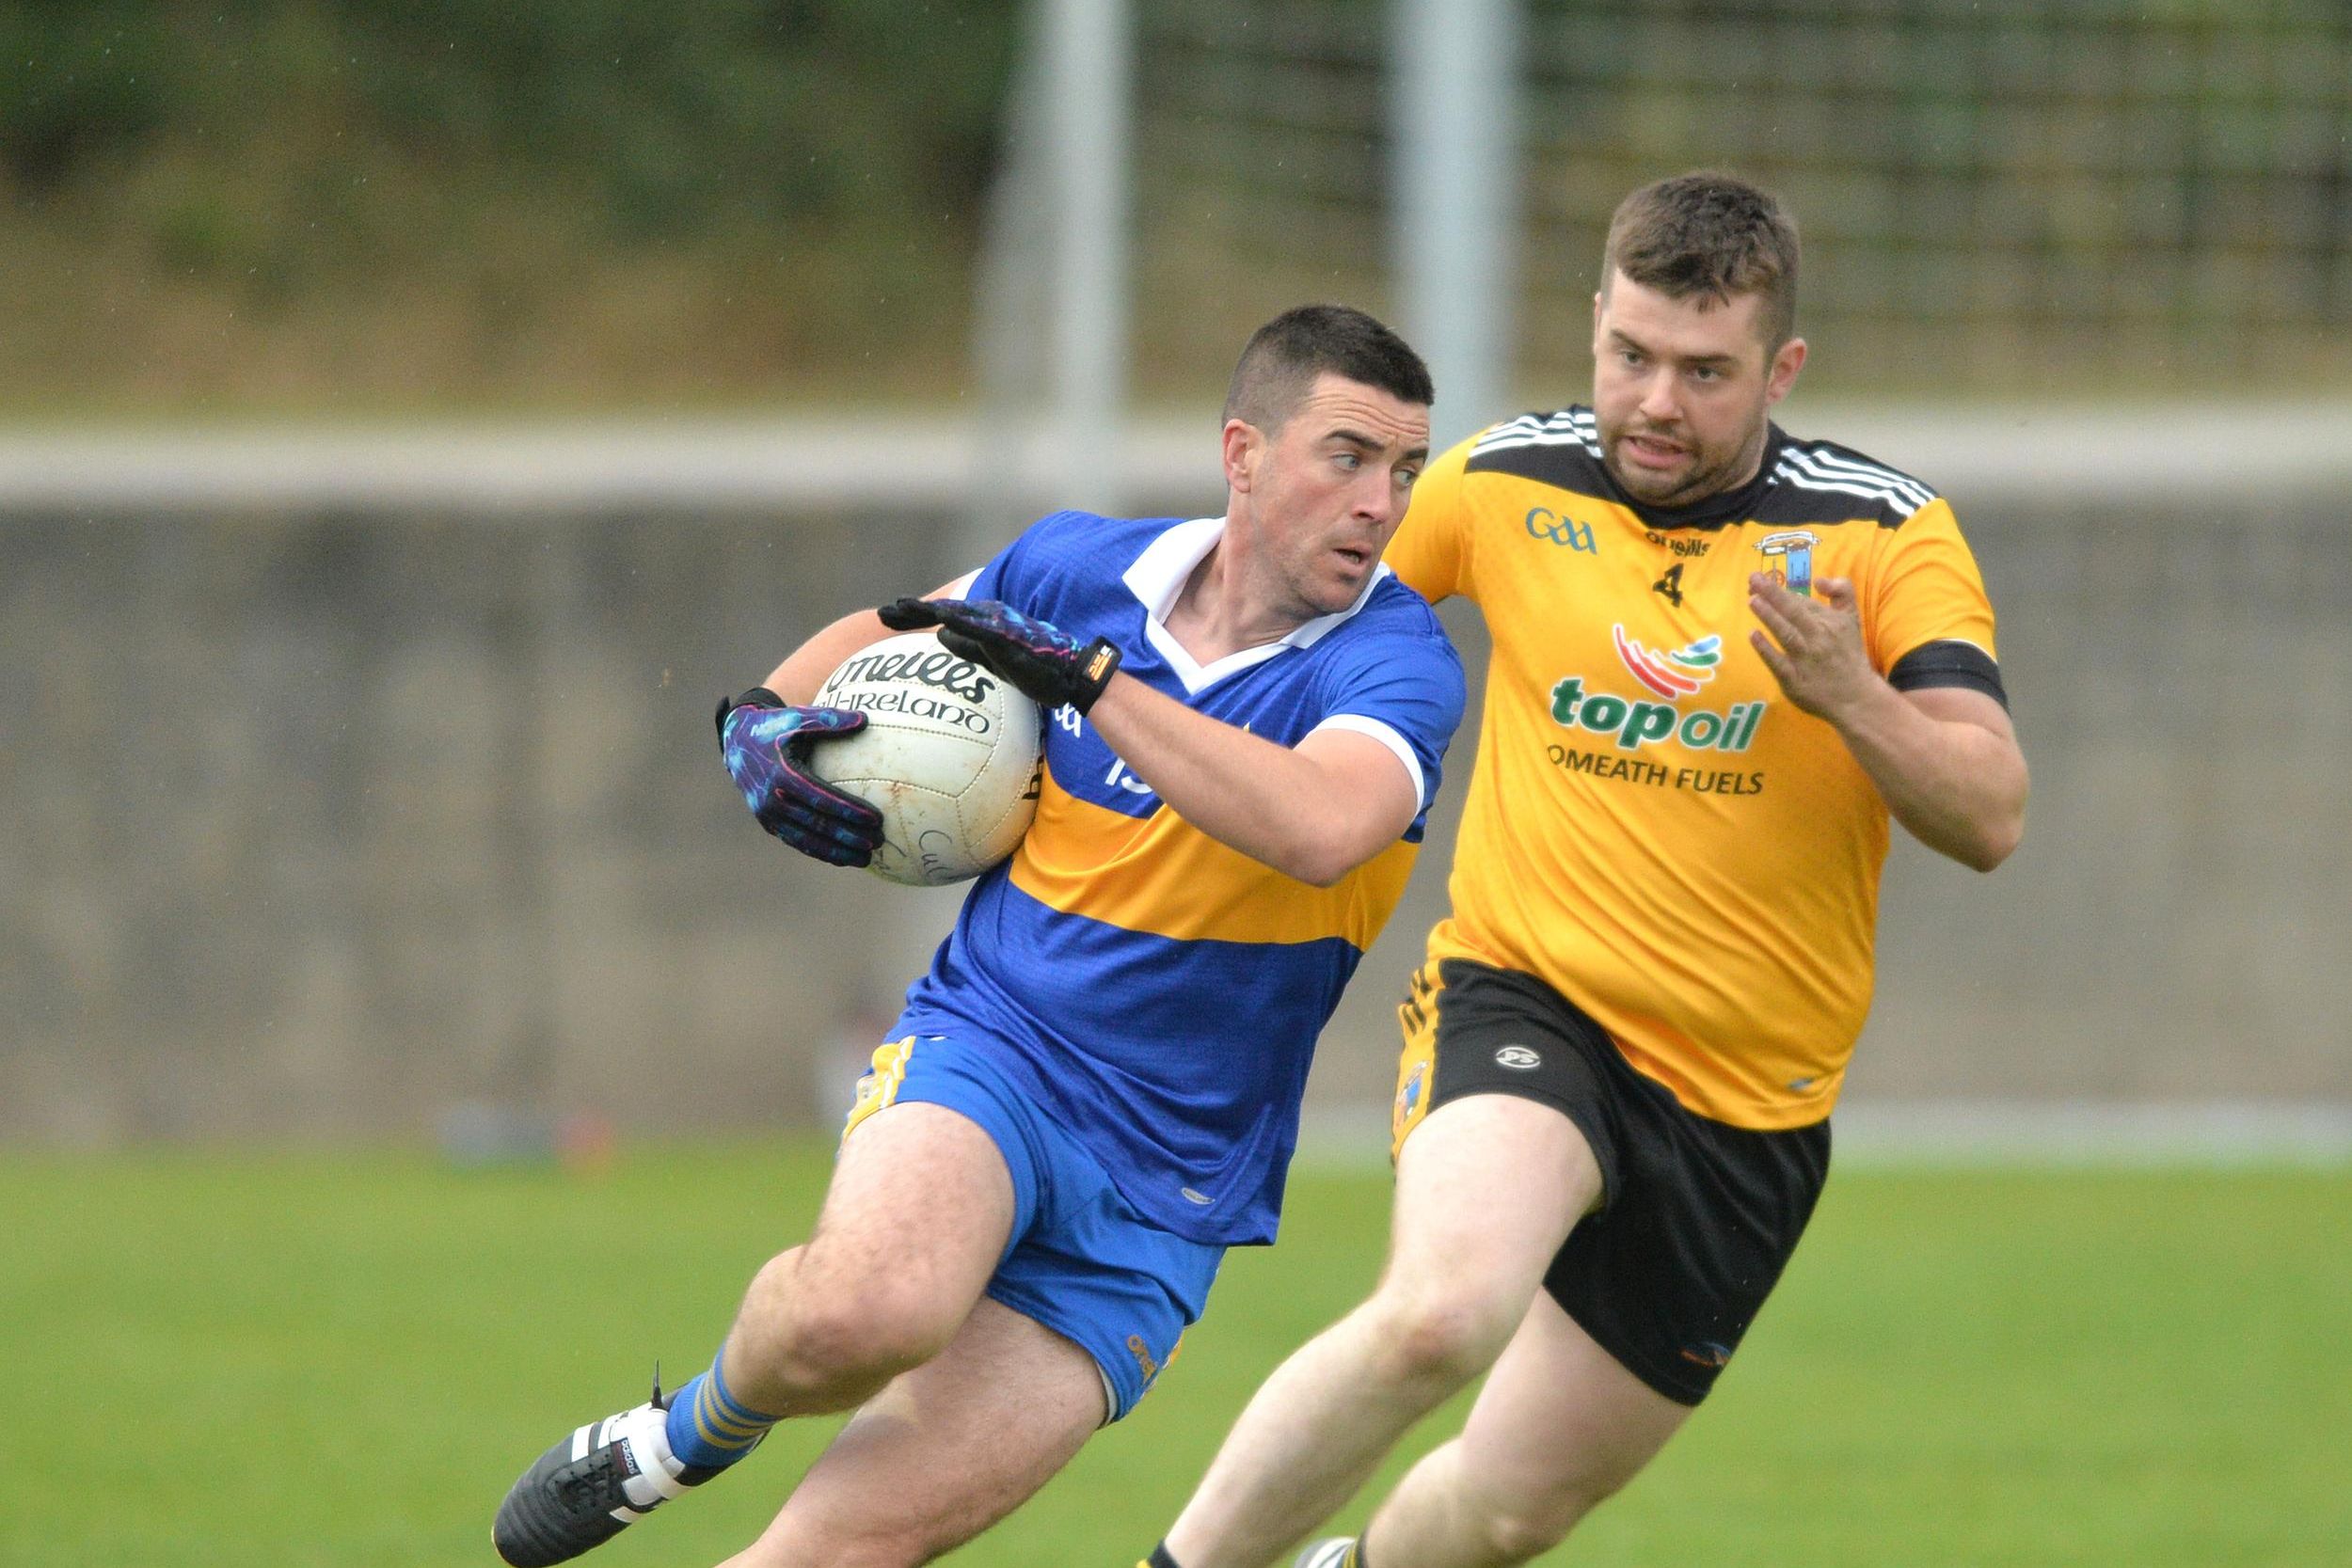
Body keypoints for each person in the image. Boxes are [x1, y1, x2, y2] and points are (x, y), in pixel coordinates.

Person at [1136, 171, 2029, 1568]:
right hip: (1529, 999)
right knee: (1442, 1312)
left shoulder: (1882, 531)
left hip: (1751, 1106)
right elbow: (1273, 598)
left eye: (1704, 371)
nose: (1654, 402)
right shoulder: (1502, 482)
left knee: (1504, 1513)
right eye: (1630, 356)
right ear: (1595, 321)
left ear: (1781, 368)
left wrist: (1853, 694)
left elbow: (1990, 814)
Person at [490, 303, 1467, 1568]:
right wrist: (765, 718)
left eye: (1405, 470)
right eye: (1347, 455)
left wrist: (1098, 691)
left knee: (825, 1560)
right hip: (996, 1047)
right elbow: (892, 632)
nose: (1380, 502)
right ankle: (676, 1440)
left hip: (1168, 1183)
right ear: (1243, 454)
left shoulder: (1395, 665)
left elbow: (1321, 828)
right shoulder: (1075, 570)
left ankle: (689, 1452)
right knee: (864, 1309)